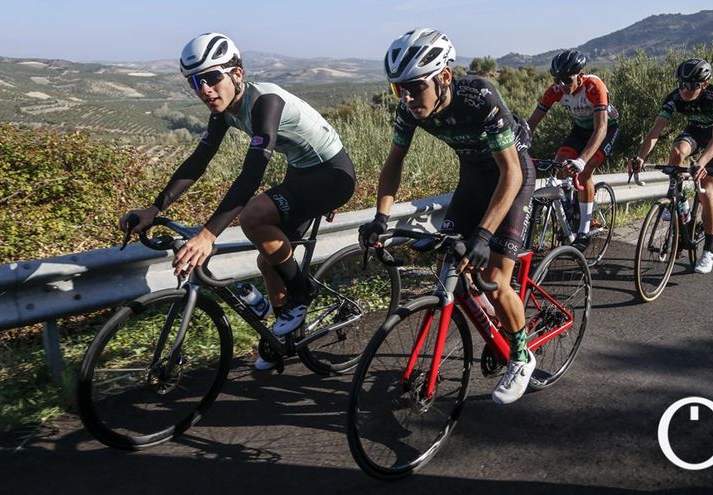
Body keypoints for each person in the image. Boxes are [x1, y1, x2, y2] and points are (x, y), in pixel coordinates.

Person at [121, 33, 356, 368]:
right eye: (195, 82)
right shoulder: (224, 110)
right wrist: (153, 208)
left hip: (332, 175)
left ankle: (302, 291)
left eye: (211, 78)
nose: (204, 89)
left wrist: (208, 235)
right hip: (303, 173)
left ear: (237, 74)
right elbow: (198, 162)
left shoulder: (265, 103)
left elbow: (251, 175)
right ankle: (283, 336)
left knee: (253, 217)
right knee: (269, 260)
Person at [359, 28, 536, 405]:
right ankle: (494, 322)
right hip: (473, 175)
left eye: (413, 87)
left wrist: (484, 236)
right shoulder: (409, 109)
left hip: (511, 175)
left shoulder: (478, 97)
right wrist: (380, 217)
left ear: (443, 76)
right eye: (398, 89)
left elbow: (511, 173)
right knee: (450, 268)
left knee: (495, 278)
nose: (406, 98)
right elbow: (394, 163)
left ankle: (521, 355)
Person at [628, 58, 713, 274]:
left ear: (704, 84)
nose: (684, 89)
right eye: (681, 84)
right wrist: (640, 157)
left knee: (706, 189)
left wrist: (701, 163)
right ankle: (679, 201)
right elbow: (656, 130)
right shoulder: (675, 97)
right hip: (695, 131)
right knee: (676, 152)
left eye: (691, 85)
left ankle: (709, 250)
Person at [527, 49, 620, 251]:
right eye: (557, 80)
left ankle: (584, 231)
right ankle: (569, 213)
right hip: (580, 129)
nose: (561, 85)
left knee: (585, 173)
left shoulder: (594, 86)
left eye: (567, 80)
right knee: (559, 166)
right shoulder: (555, 90)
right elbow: (532, 123)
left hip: (605, 130)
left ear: (580, 76)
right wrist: (517, 144)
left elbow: (601, 129)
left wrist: (582, 160)